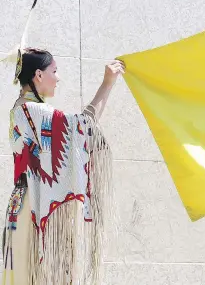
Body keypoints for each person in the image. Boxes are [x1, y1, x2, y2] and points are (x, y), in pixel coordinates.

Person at [2, 48, 124, 285]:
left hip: (23, 202)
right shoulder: (31, 110)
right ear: (38, 75)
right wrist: (107, 83)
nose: (58, 78)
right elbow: (82, 126)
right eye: (54, 71)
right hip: (33, 208)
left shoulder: (21, 109)